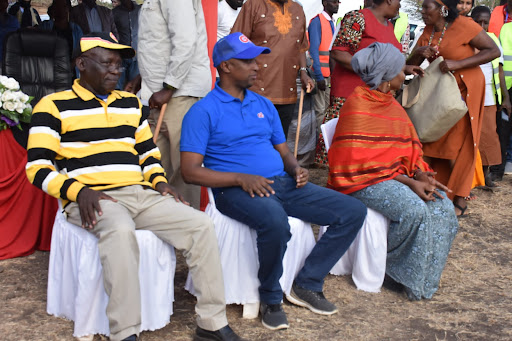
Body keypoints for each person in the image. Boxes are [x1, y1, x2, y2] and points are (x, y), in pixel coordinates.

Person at [25, 32, 245, 341]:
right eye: (108, 64)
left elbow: (148, 155)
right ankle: (124, 332)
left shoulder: (131, 104)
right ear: (82, 64)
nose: (117, 71)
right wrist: (78, 192)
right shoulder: (53, 106)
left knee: (200, 225)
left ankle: (211, 322)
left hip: (140, 193)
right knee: (119, 229)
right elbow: (37, 168)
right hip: (91, 197)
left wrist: (160, 183)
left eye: (119, 65)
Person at [180, 32, 366, 331]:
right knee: (276, 222)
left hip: (280, 183)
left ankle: (308, 282)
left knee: (352, 212)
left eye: (257, 60)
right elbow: (190, 171)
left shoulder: (263, 104)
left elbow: (283, 151)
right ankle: (270, 296)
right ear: (226, 66)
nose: (257, 66)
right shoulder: (202, 112)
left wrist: (295, 168)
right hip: (234, 190)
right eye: (248, 61)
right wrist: (240, 178)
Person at [328, 42, 459, 300]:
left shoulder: (391, 104)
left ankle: (422, 281)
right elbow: (357, 165)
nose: (405, 74)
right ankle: (395, 273)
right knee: (414, 210)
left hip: (394, 177)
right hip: (360, 183)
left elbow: (407, 151)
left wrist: (420, 174)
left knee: (443, 207)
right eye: (401, 71)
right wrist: (409, 183)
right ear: (387, 78)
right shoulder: (358, 105)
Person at [407, 0, 500, 217]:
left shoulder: (465, 25)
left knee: (462, 143)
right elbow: (411, 63)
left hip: (466, 90)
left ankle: (460, 198)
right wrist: (420, 52)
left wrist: (458, 64)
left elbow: (493, 51)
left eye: (426, 7)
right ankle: (437, 190)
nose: (422, 12)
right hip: (440, 92)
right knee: (434, 138)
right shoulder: (428, 31)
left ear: (442, 9)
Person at [315, 0, 422, 167]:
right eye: (398, 1)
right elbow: (338, 53)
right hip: (351, 93)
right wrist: (375, 73)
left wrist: (404, 68)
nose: (400, 6)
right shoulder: (357, 18)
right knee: (343, 150)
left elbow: (385, 59)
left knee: (366, 150)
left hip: (376, 96)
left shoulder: (388, 25)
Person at [137, 0, 211, 209]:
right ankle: (162, 228)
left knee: (183, 169)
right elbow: (157, 44)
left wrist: (169, 87)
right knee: (158, 167)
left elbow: (185, 41)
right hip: (161, 94)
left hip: (179, 94)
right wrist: (140, 78)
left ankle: (189, 230)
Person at [231, 0, 315, 138]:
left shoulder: (298, 10)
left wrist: (304, 72)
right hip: (257, 91)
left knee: (280, 142)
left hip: (287, 91)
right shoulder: (253, 5)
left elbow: (300, 47)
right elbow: (237, 43)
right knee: (255, 142)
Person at [472, 5, 511, 186]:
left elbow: (500, 71)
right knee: (469, 135)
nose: (481, 25)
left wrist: (505, 97)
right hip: (469, 95)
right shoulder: (467, 40)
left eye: (485, 22)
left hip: (488, 95)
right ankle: (470, 175)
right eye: (477, 21)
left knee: (488, 135)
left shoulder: (494, 39)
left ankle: (485, 174)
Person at [308, 0, 337, 134]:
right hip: (321, 76)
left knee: (327, 111)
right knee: (320, 111)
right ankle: (319, 143)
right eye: (333, 2)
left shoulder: (332, 22)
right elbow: (313, 50)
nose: (336, 5)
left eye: (338, 2)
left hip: (329, 76)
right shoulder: (317, 21)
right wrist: (319, 76)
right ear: (325, 2)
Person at [112, 0, 140, 90]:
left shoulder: (140, 10)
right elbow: (112, 32)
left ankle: (133, 103)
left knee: (134, 86)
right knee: (118, 86)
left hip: (137, 55)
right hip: (122, 55)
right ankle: (118, 103)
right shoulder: (115, 13)